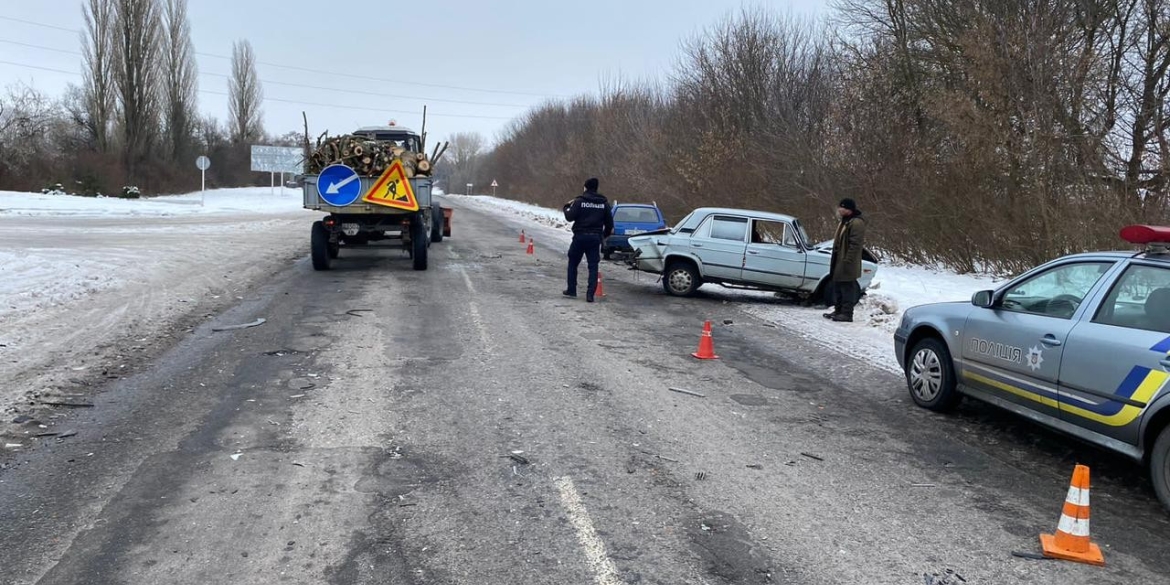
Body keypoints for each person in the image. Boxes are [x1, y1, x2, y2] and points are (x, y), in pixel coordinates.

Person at [562, 177, 614, 302]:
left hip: (580, 237)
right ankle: (590, 294)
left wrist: (566, 207)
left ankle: (572, 290)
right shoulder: (604, 203)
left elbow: (569, 217)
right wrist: (603, 236)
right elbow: (610, 224)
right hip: (595, 238)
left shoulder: (579, 201)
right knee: (593, 266)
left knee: (573, 263)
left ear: (585, 187)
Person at [825, 198, 867, 322]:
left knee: (847, 287)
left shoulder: (856, 223)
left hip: (847, 261)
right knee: (838, 285)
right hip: (839, 259)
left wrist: (848, 259)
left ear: (848, 209)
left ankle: (847, 313)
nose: (839, 209)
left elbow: (855, 244)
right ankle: (838, 310)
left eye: (842, 207)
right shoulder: (845, 221)